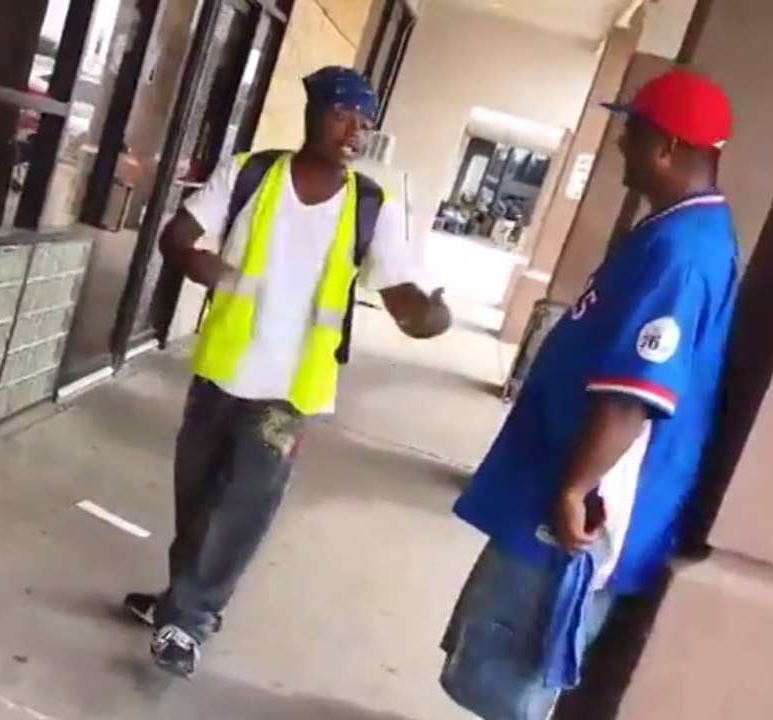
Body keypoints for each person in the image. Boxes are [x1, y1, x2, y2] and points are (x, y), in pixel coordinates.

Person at [123, 66, 452, 678]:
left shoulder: (371, 207)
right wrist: (201, 264)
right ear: (312, 113)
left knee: (243, 508)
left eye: (365, 122)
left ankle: (189, 621)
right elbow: (177, 235)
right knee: (196, 497)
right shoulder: (249, 174)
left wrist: (425, 315)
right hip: (221, 370)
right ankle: (180, 600)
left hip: (290, 392)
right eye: (342, 115)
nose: (354, 132)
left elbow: (400, 291)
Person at [440, 69, 739, 719]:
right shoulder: (673, 232)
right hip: (560, 488)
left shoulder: (684, 253)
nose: (621, 144)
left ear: (667, 146)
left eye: (633, 132)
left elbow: (635, 392)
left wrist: (576, 489)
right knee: (492, 666)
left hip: (585, 510)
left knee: (511, 681)